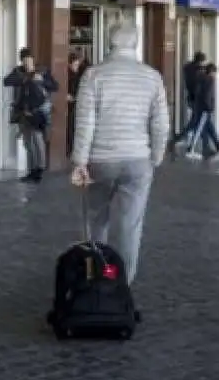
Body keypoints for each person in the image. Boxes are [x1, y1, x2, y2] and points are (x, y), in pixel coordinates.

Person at [70, 21, 168, 285]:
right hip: (137, 161)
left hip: (99, 161)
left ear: (110, 43)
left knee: (94, 221)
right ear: (135, 44)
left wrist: (80, 161)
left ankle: (95, 276)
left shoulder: (93, 75)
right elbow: (159, 123)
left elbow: (84, 123)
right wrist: (156, 156)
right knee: (129, 227)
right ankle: (119, 281)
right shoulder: (152, 77)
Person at [4, 47, 59, 183]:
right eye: (24, 61)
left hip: (38, 112)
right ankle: (32, 170)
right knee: (28, 142)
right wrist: (23, 78)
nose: (27, 63)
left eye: (29, 60)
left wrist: (41, 80)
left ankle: (39, 169)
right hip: (23, 112)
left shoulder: (42, 71)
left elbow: (55, 86)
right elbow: (7, 81)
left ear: (33, 60)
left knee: (38, 140)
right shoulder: (19, 72)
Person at [184, 63, 219, 161]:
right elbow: (207, 95)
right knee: (199, 128)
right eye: (215, 73)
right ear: (212, 72)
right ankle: (190, 149)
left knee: (210, 128)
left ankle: (218, 146)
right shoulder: (209, 80)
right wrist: (209, 107)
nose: (215, 75)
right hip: (204, 109)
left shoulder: (200, 79)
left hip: (200, 107)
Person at [65, 52, 89, 158]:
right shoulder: (70, 75)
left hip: (74, 105)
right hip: (71, 106)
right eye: (75, 64)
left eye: (78, 65)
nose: (77, 67)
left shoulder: (77, 76)